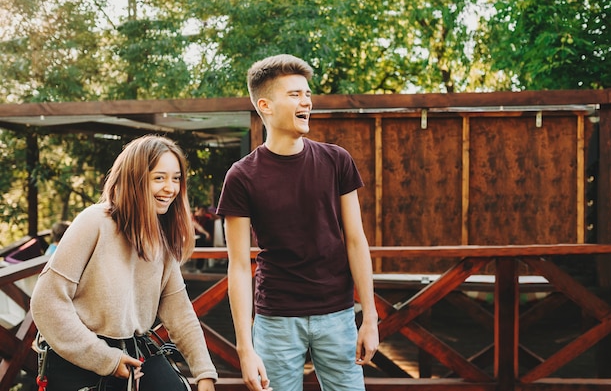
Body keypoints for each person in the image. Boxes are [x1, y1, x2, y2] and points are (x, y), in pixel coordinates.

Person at [216, 54, 379, 391]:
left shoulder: (337, 161)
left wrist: (370, 318)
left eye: (307, 94)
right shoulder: (242, 176)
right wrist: (244, 348)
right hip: (275, 319)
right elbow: (237, 265)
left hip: (338, 314)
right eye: (294, 95)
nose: (306, 101)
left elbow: (355, 240)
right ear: (266, 105)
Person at [30, 135, 218, 391]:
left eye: (176, 178)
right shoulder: (94, 221)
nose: (170, 188)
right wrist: (104, 358)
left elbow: (180, 312)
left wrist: (205, 373)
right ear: (135, 179)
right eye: (159, 178)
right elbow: (46, 302)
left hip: (133, 352)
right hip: (80, 357)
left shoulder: (160, 235)